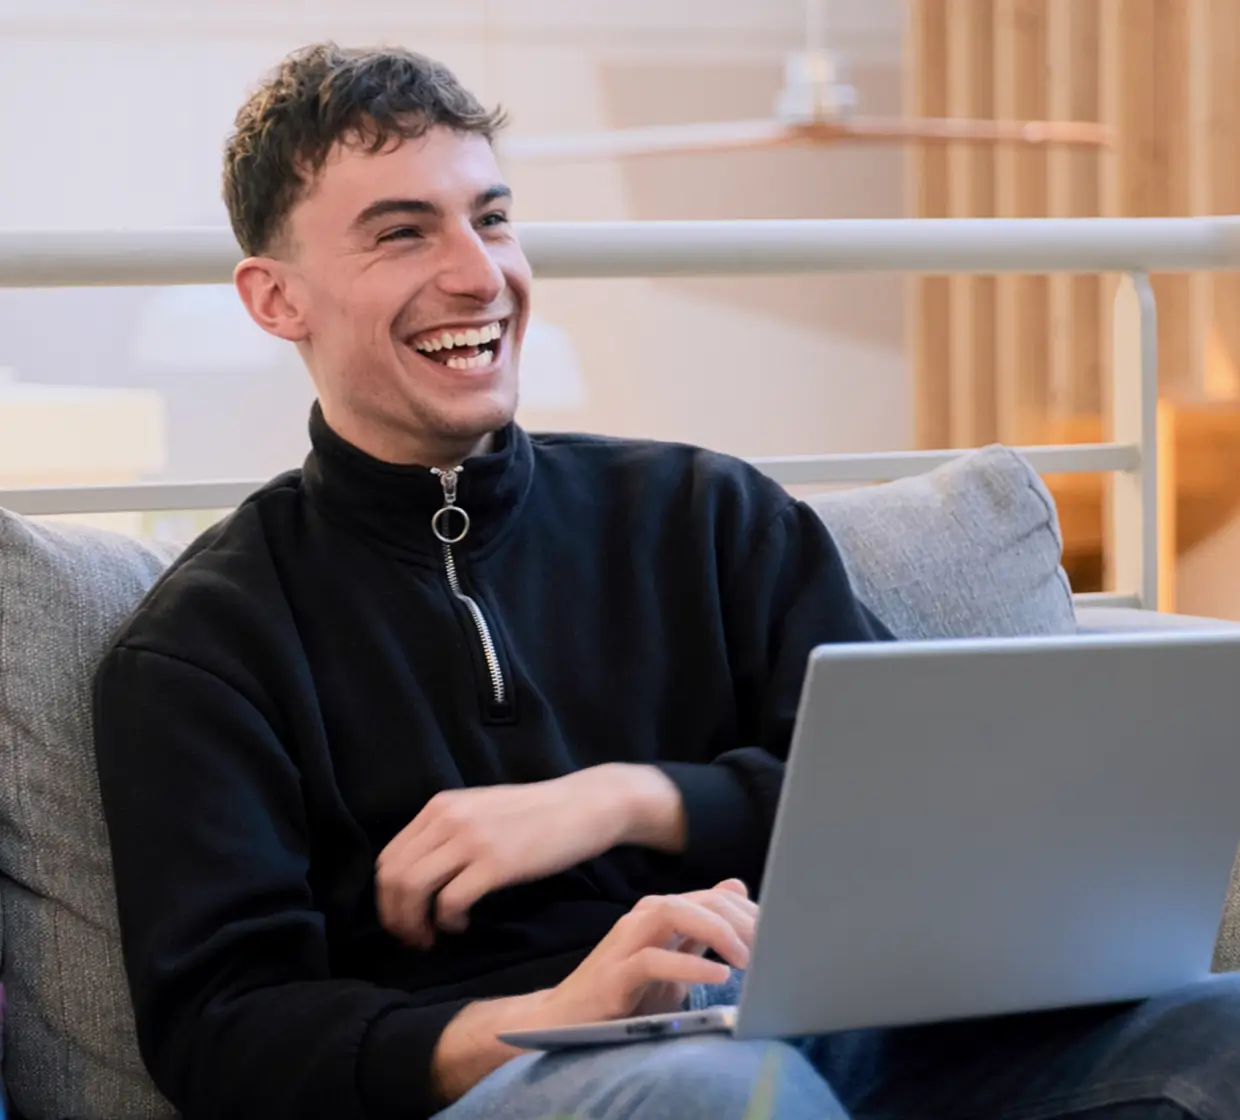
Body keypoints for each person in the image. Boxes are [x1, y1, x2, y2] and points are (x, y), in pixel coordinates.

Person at [91, 42, 1240, 1120]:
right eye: (402, 233)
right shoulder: (204, 646)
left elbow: (913, 794)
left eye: (491, 219)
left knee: (1221, 1026)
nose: (476, 272)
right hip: (537, 1074)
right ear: (274, 298)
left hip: (833, 1030)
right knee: (714, 1091)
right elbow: (222, 1029)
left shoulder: (705, 513)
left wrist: (632, 797)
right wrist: (551, 1019)